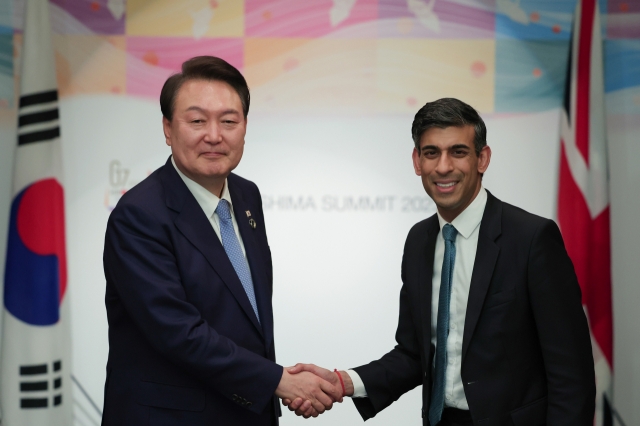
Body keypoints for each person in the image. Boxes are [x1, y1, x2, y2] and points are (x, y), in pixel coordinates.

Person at [285, 98, 596, 425]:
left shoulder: (532, 238)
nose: (443, 167)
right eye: (432, 152)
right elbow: (414, 355)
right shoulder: (419, 240)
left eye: (458, 152)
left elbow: (571, 375)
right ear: (417, 161)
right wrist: (344, 382)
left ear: (482, 158)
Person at [102, 56, 341, 426]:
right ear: (168, 128)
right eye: (197, 121)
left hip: (246, 409)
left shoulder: (246, 196)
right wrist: (279, 381)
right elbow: (178, 332)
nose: (214, 135)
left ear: (244, 127)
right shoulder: (139, 214)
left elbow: (245, 318)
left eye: (229, 121)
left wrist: (274, 385)